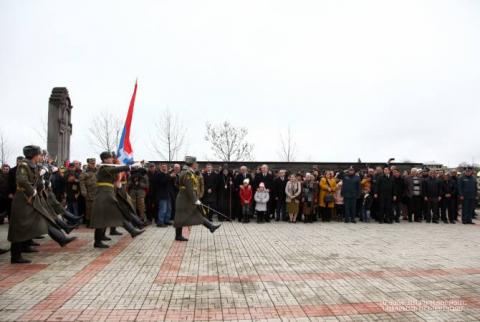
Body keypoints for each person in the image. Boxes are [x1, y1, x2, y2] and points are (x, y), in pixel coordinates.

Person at [90, 151, 145, 248]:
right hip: (104, 195)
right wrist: (130, 165)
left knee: (102, 218)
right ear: (105, 159)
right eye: (110, 158)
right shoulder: (104, 168)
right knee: (118, 213)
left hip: (108, 194)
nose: (112, 159)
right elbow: (116, 170)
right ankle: (132, 231)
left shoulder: (107, 167)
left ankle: (98, 240)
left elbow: (116, 172)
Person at [174, 156, 220, 241]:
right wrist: (196, 200)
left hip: (185, 198)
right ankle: (210, 226)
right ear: (193, 164)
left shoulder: (187, 172)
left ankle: (210, 226)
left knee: (185, 215)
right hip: (185, 199)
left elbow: (178, 184)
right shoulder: (187, 173)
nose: (197, 164)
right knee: (186, 215)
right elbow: (189, 189)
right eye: (196, 163)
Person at [79, 158, 97, 227]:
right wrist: (84, 192)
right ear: (88, 164)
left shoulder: (97, 171)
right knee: (89, 208)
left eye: (94, 163)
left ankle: (95, 222)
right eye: (91, 163)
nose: (93, 165)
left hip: (97, 192)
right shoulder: (85, 172)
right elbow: (82, 183)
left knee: (96, 208)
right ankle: (89, 223)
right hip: (89, 192)